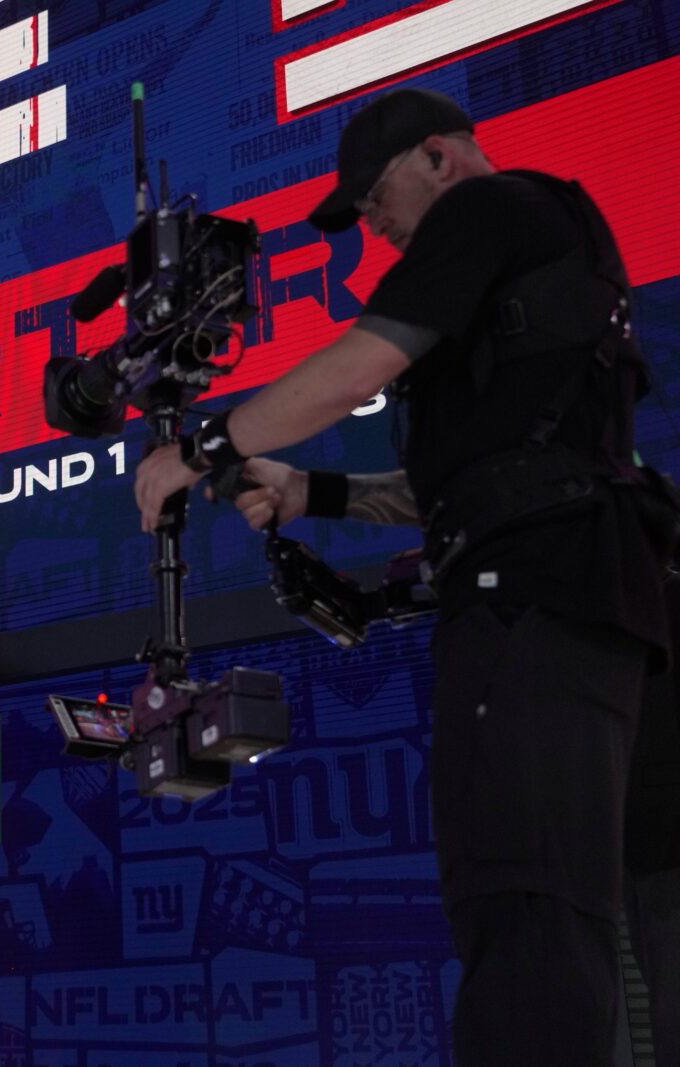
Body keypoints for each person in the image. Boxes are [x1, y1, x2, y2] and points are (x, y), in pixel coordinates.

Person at [134, 88, 678, 1064]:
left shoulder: (486, 206)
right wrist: (310, 491)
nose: (373, 226)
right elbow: (477, 475)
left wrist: (200, 447)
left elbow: (354, 368)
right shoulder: (538, 264)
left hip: (529, 598)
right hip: (591, 592)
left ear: (437, 156)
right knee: (582, 908)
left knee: (519, 901)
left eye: (374, 198)